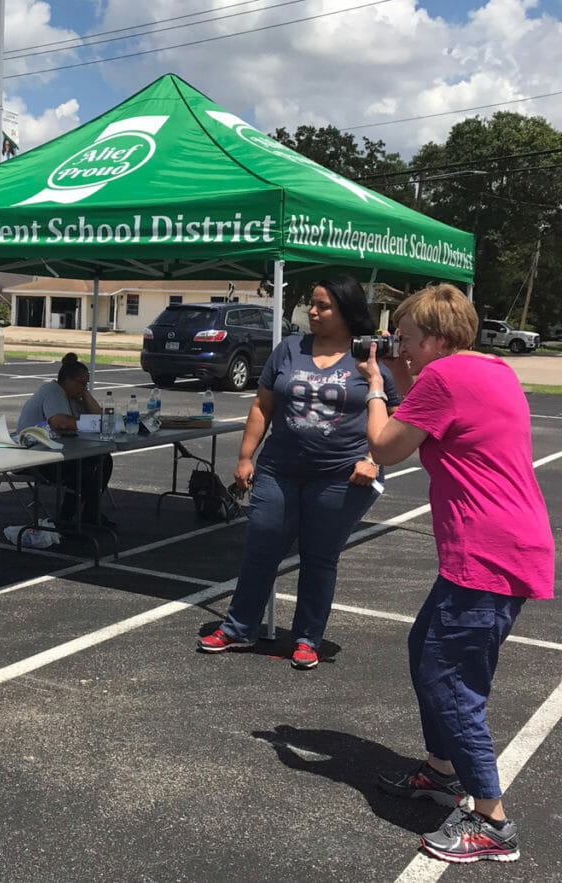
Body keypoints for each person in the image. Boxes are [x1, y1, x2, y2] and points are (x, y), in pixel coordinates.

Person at [359, 284, 554, 864]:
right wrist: (403, 368)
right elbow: (435, 403)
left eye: (409, 339)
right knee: (427, 647)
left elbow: (385, 446)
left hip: (487, 552)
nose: (403, 348)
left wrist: (376, 385)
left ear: (438, 339)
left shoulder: (441, 380)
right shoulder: (490, 369)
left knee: (452, 682)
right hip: (507, 544)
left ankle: (491, 821)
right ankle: (444, 770)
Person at [197, 275, 401, 669]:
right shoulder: (290, 348)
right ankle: (239, 628)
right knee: (261, 547)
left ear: (345, 311)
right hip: (279, 470)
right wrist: (245, 456)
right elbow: (262, 405)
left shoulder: (367, 358)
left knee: (319, 556)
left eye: (323, 306)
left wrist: (375, 460)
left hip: (342, 476)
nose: (312, 311)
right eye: (312, 303)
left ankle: (307, 639)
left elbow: (395, 418)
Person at [16, 352, 114, 526]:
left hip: (55, 453)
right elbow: (60, 422)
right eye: (81, 384)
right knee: (87, 466)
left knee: (103, 460)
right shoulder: (52, 391)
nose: (84, 388)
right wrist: (90, 423)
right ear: (67, 380)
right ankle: (67, 518)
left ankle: (89, 514)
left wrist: (84, 394)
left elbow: (99, 417)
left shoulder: (73, 397)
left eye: (86, 384)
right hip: (33, 458)